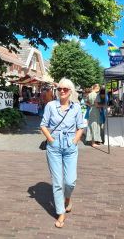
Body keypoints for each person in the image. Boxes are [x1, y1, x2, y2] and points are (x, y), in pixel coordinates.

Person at [40, 78, 84, 228]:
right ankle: (61, 213)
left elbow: (81, 127)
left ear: (71, 91)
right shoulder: (51, 106)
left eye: (65, 89)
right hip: (55, 146)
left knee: (70, 181)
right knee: (57, 182)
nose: (62, 91)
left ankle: (68, 198)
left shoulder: (76, 107)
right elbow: (43, 125)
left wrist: (75, 140)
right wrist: (51, 139)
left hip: (70, 145)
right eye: (59, 89)